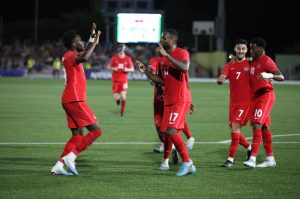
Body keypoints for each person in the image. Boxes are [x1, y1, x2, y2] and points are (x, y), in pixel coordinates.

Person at [136, 28, 196, 176]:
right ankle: (176, 163)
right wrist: (146, 71)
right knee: (166, 133)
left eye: (165, 38)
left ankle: (187, 162)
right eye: (162, 37)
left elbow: (184, 68)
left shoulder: (182, 52)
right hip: (168, 99)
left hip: (180, 98)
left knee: (171, 131)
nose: (162, 40)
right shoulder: (162, 59)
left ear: (173, 40)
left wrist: (167, 56)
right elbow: (161, 81)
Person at [51, 23, 103, 175]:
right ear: (73, 44)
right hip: (75, 99)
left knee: (77, 136)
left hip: (70, 99)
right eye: (80, 40)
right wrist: (93, 42)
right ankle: (71, 157)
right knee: (96, 131)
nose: (83, 43)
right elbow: (86, 56)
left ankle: (58, 166)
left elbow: (85, 50)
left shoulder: (71, 55)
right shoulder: (71, 55)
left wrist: (93, 37)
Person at [243, 37, 284, 168]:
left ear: (260, 48)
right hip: (255, 98)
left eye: (253, 47)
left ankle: (253, 158)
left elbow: (281, 77)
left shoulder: (267, 61)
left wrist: (269, 75)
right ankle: (270, 159)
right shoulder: (254, 61)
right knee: (264, 127)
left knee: (256, 124)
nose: (251, 50)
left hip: (265, 97)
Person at [217, 39, 252, 168]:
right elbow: (221, 79)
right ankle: (249, 147)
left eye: (243, 49)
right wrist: (220, 80)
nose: (241, 51)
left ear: (246, 50)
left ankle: (230, 159)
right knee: (232, 127)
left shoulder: (250, 63)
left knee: (235, 127)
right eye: (239, 48)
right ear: (235, 49)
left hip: (246, 102)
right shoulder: (230, 65)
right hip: (233, 102)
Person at [149, 56, 195, 154]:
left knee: (173, 122)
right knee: (158, 124)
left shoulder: (174, 62)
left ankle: (188, 139)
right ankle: (165, 143)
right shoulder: (155, 60)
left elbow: (183, 82)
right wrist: (152, 77)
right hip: (159, 98)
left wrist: (189, 100)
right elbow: (152, 72)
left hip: (172, 97)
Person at [107, 43, 134, 117]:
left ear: (124, 50)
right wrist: (113, 68)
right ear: (118, 50)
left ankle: (122, 112)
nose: (121, 51)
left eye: (122, 50)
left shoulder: (128, 58)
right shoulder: (114, 58)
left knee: (123, 96)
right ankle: (118, 101)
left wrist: (126, 69)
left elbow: (132, 69)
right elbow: (108, 67)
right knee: (117, 98)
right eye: (120, 50)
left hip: (124, 81)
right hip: (115, 81)